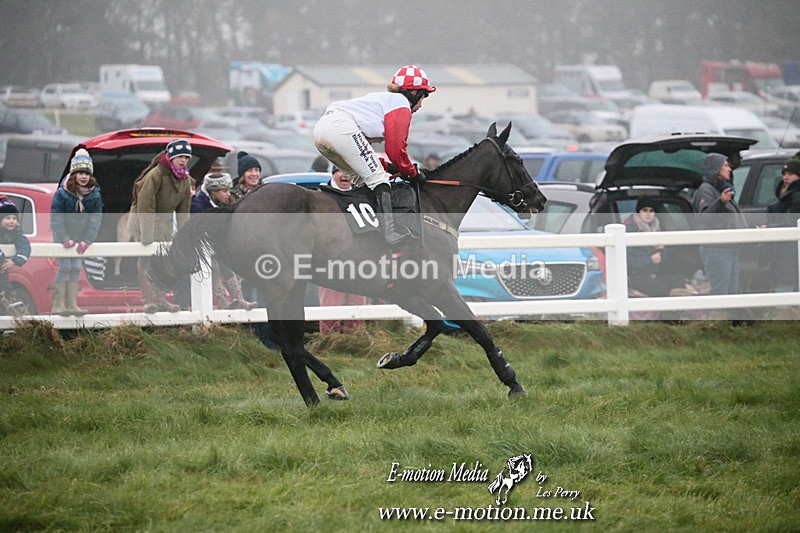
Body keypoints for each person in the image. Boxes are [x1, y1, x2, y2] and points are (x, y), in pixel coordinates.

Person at [313, 64, 435, 245]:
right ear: (414, 93)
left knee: (362, 180)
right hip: (339, 127)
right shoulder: (400, 103)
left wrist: (390, 167)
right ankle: (390, 233)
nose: (420, 105)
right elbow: (395, 150)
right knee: (379, 180)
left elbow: (363, 153)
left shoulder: (383, 102)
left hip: (322, 131)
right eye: (423, 97)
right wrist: (412, 172)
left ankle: (363, 229)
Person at [128, 138, 193, 313]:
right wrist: (147, 237)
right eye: (180, 156)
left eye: (186, 157)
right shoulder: (154, 175)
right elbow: (146, 207)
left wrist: (184, 237)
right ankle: (149, 301)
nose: (183, 160)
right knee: (147, 258)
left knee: (162, 260)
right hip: (143, 221)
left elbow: (183, 212)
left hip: (164, 224)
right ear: (170, 157)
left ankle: (162, 299)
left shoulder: (185, 179)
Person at [49, 149, 102, 316]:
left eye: (86, 173)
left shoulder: (94, 194)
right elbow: (56, 218)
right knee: (64, 267)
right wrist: (64, 238)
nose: (84, 176)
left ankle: (72, 304)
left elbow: (95, 218)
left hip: (80, 240)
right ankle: (58, 305)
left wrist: (87, 240)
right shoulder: (62, 193)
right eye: (80, 172)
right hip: (63, 238)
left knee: (76, 268)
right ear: (73, 174)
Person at [191, 172, 255, 310]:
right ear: (213, 192)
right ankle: (222, 301)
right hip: (200, 247)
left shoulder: (220, 203)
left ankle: (240, 299)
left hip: (216, 246)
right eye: (224, 191)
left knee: (227, 266)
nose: (228, 194)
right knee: (213, 268)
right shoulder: (198, 205)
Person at [317, 167, 367, 335]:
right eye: (340, 171)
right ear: (333, 174)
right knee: (331, 308)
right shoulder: (322, 196)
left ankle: (355, 345)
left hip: (358, 263)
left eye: (349, 172)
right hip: (330, 263)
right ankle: (328, 343)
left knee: (357, 308)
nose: (345, 175)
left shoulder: (360, 196)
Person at [692, 153, 748, 299]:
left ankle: (729, 321)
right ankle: (718, 320)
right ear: (715, 169)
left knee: (732, 294)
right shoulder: (706, 189)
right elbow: (704, 218)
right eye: (725, 165)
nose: (729, 168)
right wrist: (720, 202)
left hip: (730, 248)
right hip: (717, 249)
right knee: (721, 294)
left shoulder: (723, 189)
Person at [623, 197, 686, 298]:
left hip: (654, 273)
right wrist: (649, 260)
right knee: (662, 290)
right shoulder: (629, 230)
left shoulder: (657, 228)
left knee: (678, 281)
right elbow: (625, 261)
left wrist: (662, 250)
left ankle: (681, 312)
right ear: (638, 212)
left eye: (651, 210)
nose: (648, 213)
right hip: (635, 276)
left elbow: (665, 261)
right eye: (644, 210)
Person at [766, 158, 800, 293]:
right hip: (783, 248)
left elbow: (792, 222)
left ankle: (785, 311)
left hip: (790, 248)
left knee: (786, 277)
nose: (786, 177)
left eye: (791, 174)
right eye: (784, 174)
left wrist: (771, 227)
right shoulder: (785, 194)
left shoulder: (796, 196)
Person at [0, 196, 30, 317]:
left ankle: (18, 320)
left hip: (3, 273)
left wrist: (14, 261)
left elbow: (25, 246)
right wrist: (1, 260)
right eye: (7, 218)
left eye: (14, 218)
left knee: (7, 294)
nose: (11, 221)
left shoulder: (16, 233)